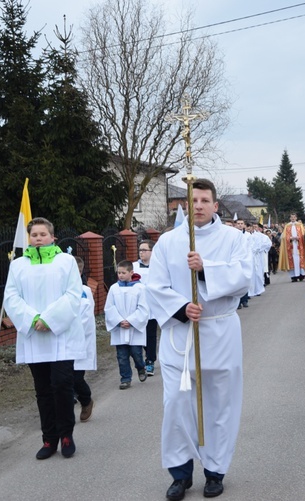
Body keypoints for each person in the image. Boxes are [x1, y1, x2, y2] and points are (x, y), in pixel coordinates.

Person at [147, 178, 252, 500]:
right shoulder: (168, 241)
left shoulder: (234, 238)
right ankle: (180, 473)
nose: (199, 206)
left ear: (216, 205)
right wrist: (180, 308)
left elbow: (246, 277)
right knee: (177, 404)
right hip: (181, 332)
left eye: (205, 201)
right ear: (185, 205)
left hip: (220, 331)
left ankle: (215, 470)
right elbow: (155, 285)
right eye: (193, 201)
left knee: (220, 404)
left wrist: (206, 269)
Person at [3, 217, 86, 460]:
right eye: (34, 235)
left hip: (61, 335)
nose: (38, 238)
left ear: (52, 237)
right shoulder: (18, 265)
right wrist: (31, 318)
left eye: (43, 234)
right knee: (42, 390)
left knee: (62, 385)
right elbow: (11, 297)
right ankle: (49, 438)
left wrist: (48, 319)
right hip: (34, 336)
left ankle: (66, 435)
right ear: (29, 238)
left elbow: (73, 294)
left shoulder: (66, 261)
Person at [105, 260, 149, 390]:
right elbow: (109, 307)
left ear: (131, 272)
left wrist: (131, 321)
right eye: (119, 272)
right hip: (120, 328)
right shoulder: (114, 288)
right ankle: (125, 379)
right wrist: (119, 321)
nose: (121, 275)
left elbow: (143, 308)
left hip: (134, 328)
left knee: (136, 353)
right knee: (122, 356)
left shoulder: (140, 288)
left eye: (123, 273)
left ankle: (141, 368)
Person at [73, 256, 96, 422]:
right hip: (60, 339)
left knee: (75, 377)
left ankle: (86, 399)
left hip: (79, 338)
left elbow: (86, 317)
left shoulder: (84, 291)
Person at [133, 240, 158, 376]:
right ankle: (140, 361)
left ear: (151, 252)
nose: (141, 252)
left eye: (144, 250)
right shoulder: (134, 266)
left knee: (151, 335)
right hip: (138, 307)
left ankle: (150, 360)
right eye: (140, 250)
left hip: (152, 307)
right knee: (139, 335)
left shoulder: (157, 266)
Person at [278, 213, 305, 282]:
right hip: (291, 246)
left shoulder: (300, 225)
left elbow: (303, 235)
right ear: (290, 218)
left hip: (299, 246)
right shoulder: (287, 226)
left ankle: (301, 275)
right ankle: (293, 276)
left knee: (299, 259)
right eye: (291, 217)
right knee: (291, 260)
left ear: (296, 218)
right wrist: (290, 238)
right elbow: (284, 237)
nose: (293, 218)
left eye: (294, 217)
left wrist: (299, 237)